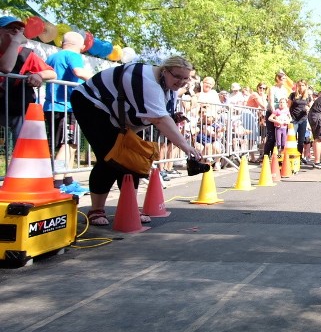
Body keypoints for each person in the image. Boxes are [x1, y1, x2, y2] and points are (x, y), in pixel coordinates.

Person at [70, 55, 206, 227]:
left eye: (185, 79)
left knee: (133, 160)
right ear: (165, 71)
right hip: (92, 105)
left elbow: (161, 116)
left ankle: (130, 206)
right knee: (111, 158)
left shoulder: (168, 87)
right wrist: (186, 147)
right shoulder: (146, 79)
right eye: (177, 76)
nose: (180, 82)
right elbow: (159, 119)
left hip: (121, 117)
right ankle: (96, 210)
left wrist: (172, 118)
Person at [44, 31, 93, 193]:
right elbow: (79, 72)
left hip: (53, 106)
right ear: (80, 45)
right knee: (66, 145)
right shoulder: (73, 55)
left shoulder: (52, 57)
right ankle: (57, 182)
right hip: (66, 106)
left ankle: (68, 179)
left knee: (70, 145)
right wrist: (96, 81)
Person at [0, 16, 57, 155]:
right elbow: (6, 67)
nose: (17, 33)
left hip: (16, 108)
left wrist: (39, 75)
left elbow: (52, 73)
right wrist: (15, 42)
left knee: (24, 145)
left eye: (20, 30)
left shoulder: (26, 55)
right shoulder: (16, 45)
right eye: (12, 29)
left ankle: (20, 173)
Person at [288, 79, 311, 164]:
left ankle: (299, 157)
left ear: (305, 86)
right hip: (294, 119)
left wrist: (308, 108)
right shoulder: (292, 95)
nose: (301, 87)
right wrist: (289, 117)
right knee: (292, 138)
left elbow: (311, 107)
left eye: (303, 85)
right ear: (297, 86)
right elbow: (288, 106)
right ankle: (291, 155)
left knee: (301, 140)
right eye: (299, 85)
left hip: (303, 119)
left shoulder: (308, 96)